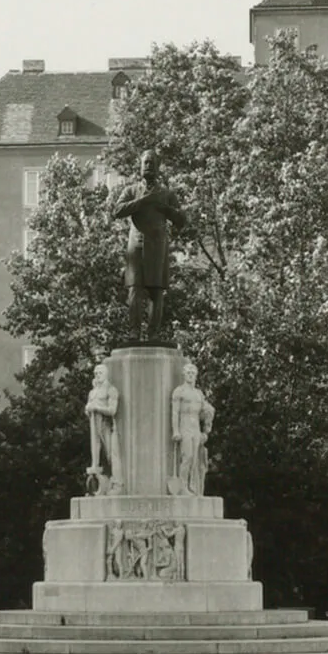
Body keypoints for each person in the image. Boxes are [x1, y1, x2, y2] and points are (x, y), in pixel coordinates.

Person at [111, 150, 189, 341]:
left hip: (158, 245)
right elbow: (117, 210)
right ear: (140, 166)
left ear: (158, 167)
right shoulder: (131, 190)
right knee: (134, 288)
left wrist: (165, 209)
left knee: (156, 290)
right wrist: (143, 201)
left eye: (152, 163)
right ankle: (134, 331)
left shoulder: (166, 194)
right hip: (136, 245)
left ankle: (153, 333)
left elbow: (182, 220)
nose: (149, 166)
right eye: (146, 162)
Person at [171, 362, 215, 496]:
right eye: (188, 373)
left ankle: (193, 487)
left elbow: (206, 411)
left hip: (195, 425)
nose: (190, 375)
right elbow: (175, 412)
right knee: (187, 456)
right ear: (184, 375)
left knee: (195, 459)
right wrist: (176, 430)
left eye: (193, 373)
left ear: (196, 376)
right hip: (184, 424)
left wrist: (206, 429)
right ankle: (183, 486)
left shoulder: (198, 394)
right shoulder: (179, 391)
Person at [85, 362, 123, 494]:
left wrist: (96, 408)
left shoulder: (110, 390)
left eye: (100, 373)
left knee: (110, 453)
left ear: (106, 374)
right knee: (95, 448)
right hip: (94, 422)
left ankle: (117, 482)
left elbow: (112, 410)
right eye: (95, 373)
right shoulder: (93, 392)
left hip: (107, 424)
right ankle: (95, 469)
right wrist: (88, 409)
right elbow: (88, 407)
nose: (97, 375)